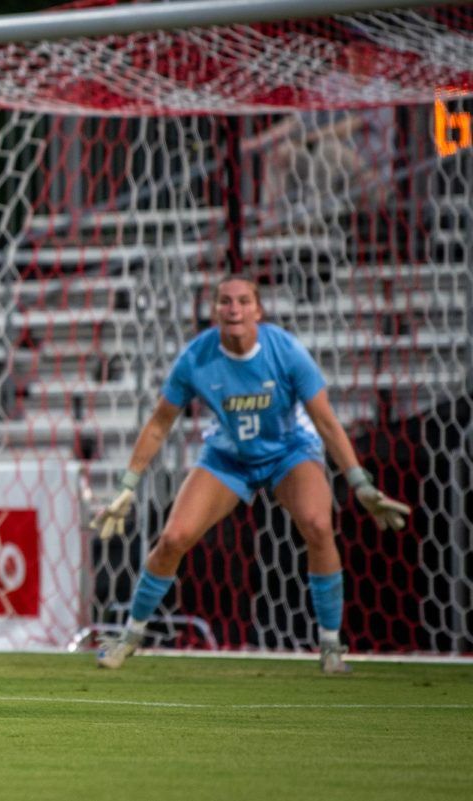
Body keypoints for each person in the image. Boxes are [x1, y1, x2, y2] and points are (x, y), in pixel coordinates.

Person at [91, 275, 411, 675]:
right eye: (225, 301)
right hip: (229, 457)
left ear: (258, 310)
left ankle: (331, 647)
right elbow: (159, 424)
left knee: (317, 524)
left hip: (289, 452)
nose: (234, 309)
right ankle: (129, 637)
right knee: (173, 538)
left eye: (243, 301)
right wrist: (127, 487)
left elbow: (326, 421)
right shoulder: (196, 358)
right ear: (215, 311)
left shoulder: (287, 352)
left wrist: (359, 482)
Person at [242, 41, 396, 223]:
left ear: (374, 55)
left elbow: (346, 128)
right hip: (328, 170)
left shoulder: (383, 90)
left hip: (370, 175)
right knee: (281, 152)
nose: (357, 55)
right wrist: (255, 143)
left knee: (328, 149)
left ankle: (314, 222)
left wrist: (307, 140)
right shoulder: (332, 83)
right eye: (354, 49)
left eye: (364, 50)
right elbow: (296, 122)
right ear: (347, 51)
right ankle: (272, 221)